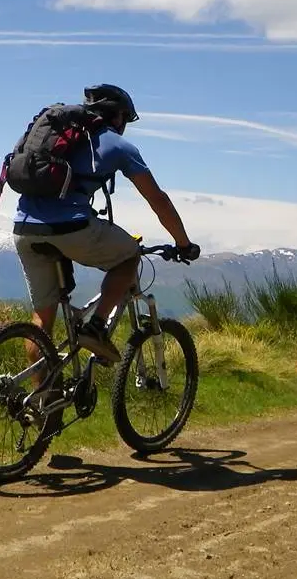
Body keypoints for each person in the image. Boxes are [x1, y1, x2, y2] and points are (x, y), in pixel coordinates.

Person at [11, 83, 200, 368]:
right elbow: (157, 199)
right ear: (119, 117)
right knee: (128, 255)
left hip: (23, 228)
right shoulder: (118, 145)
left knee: (41, 322)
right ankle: (96, 327)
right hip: (70, 228)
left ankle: (42, 405)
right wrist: (183, 243)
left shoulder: (63, 134)